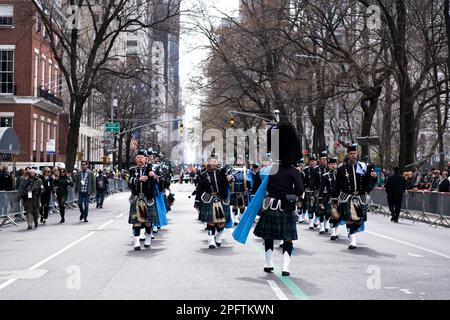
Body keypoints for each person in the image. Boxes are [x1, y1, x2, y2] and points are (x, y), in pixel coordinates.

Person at [252, 122, 303, 277]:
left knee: (269, 237)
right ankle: (285, 267)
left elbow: (259, 189)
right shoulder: (294, 172)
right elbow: (300, 191)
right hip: (286, 208)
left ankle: (269, 263)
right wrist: (291, 198)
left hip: (271, 206)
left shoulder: (268, 170)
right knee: (287, 239)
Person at [331, 144, 378, 249]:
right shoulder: (342, 168)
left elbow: (367, 183)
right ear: (348, 154)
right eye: (351, 154)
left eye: (354, 153)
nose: (353, 155)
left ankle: (352, 232)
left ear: (357, 154)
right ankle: (352, 240)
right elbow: (337, 185)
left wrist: (373, 178)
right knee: (350, 219)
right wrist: (334, 199)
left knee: (358, 220)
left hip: (360, 197)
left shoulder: (363, 166)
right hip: (347, 196)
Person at [195, 154, 231, 249]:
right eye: (212, 161)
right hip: (209, 199)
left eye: (215, 161)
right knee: (210, 221)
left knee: (221, 223)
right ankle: (211, 240)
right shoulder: (203, 174)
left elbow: (229, 184)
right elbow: (200, 189)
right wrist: (197, 201)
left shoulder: (223, 173)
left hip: (221, 199)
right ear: (208, 163)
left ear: (218, 162)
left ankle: (218, 236)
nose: (214, 162)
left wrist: (229, 179)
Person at [128, 149, 158, 250]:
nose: (140, 159)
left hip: (147, 197)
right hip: (136, 197)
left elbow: (158, 180)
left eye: (142, 157)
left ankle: (148, 237)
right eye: (138, 157)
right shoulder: (132, 169)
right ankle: (136, 242)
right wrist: (138, 179)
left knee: (147, 222)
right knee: (136, 221)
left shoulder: (151, 169)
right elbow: (129, 181)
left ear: (146, 159)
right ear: (135, 159)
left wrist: (154, 176)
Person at [319, 157, 339, 238]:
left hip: (339, 198)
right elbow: (321, 188)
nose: (333, 166)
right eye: (331, 164)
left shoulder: (340, 174)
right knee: (330, 214)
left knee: (338, 216)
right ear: (329, 165)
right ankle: (331, 229)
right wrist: (320, 201)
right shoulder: (325, 176)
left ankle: (335, 231)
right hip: (329, 197)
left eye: (335, 164)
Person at [315, 151, 330, 233]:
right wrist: (313, 193)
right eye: (323, 159)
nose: (324, 161)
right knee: (320, 210)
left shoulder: (329, 169)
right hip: (319, 191)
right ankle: (321, 226)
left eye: (325, 159)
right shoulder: (315, 169)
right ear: (319, 160)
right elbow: (312, 182)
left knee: (328, 211)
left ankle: (326, 222)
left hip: (328, 192)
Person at [303, 154, 318, 230]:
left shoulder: (319, 169)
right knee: (310, 206)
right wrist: (304, 188)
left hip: (317, 191)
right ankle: (311, 223)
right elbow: (302, 180)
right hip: (309, 190)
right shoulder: (305, 170)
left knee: (317, 207)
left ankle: (316, 221)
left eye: (313, 161)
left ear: (316, 162)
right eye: (311, 161)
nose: (312, 163)